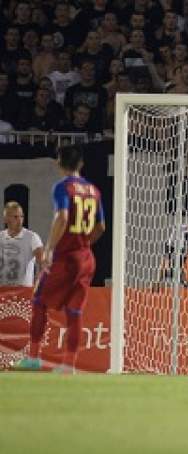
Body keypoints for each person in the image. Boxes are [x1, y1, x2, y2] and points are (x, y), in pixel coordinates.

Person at [15, 146, 104, 373]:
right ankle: (68, 365)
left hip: (65, 258)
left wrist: (49, 249)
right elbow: (101, 227)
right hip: (87, 258)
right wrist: (84, 244)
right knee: (74, 311)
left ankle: (34, 357)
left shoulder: (63, 187)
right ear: (81, 164)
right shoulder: (94, 190)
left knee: (38, 301)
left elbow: (63, 217)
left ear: (59, 163)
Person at [0, 201, 43, 288]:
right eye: (15, 217)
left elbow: (42, 264)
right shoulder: (1, 237)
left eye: (21, 216)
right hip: (2, 291)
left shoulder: (32, 237)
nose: (20, 220)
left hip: (24, 291)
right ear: (6, 219)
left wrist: (38, 284)